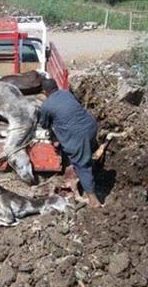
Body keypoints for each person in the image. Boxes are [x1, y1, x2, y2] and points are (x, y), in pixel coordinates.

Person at [39, 78, 102, 208]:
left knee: (82, 166)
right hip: (91, 127)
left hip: (78, 136)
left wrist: (55, 138)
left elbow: (44, 124)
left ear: (44, 92)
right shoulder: (67, 93)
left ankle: (93, 200)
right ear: (56, 87)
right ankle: (92, 173)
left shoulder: (46, 105)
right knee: (85, 156)